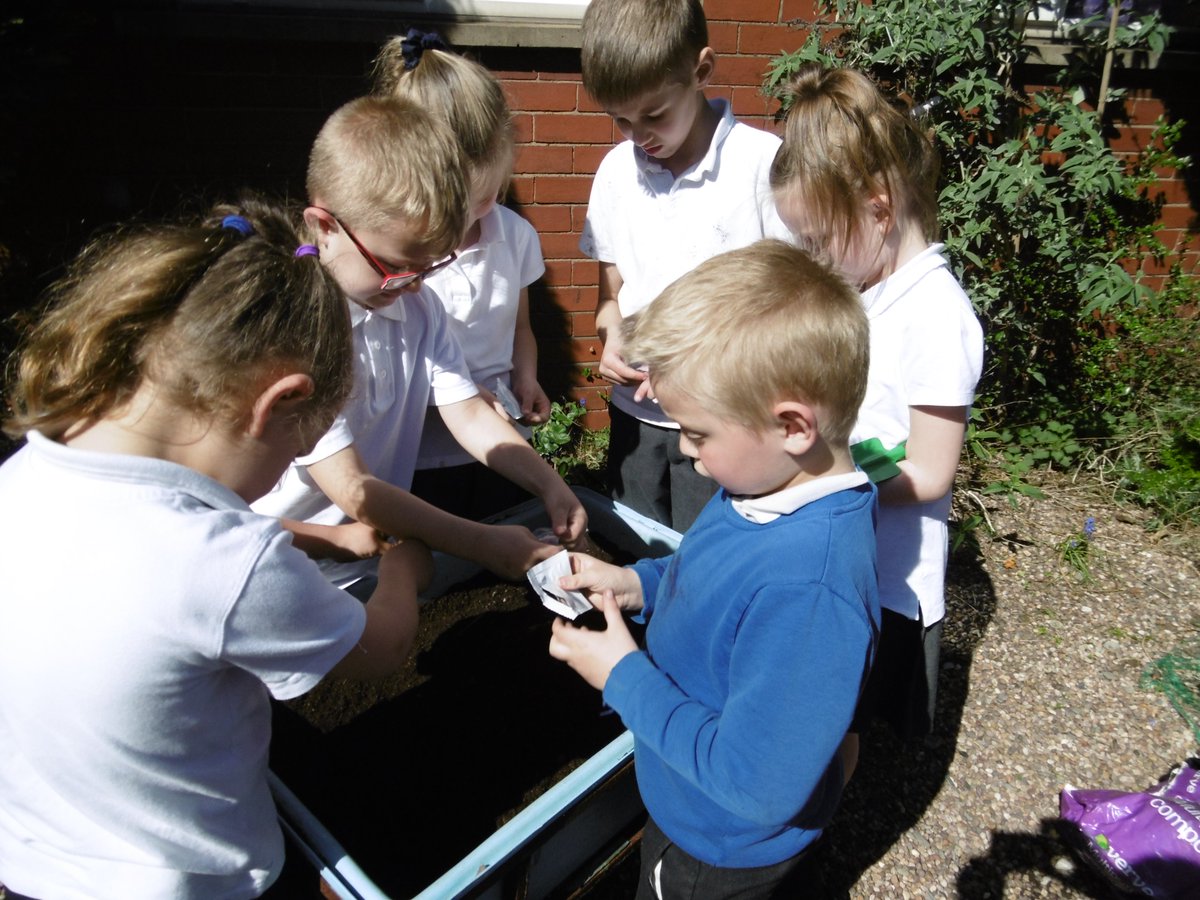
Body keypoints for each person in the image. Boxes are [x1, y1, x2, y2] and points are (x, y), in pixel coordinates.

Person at [0, 197, 433, 899]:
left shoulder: (25, 477)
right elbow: (379, 650)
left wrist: (325, 535)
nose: (292, 462)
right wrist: (404, 572)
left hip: (35, 864)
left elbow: (144, 552)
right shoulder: (227, 564)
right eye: (300, 444)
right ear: (276, 405)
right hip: (196, 881)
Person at [548, 240, 880, 900]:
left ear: (792, 425)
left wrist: (622, 675)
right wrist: (636, 583)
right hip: (690, 799)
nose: (689, 456)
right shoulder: (763, 490)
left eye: (698, 434)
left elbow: (754, 782)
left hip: (722, 850)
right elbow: (706, 579)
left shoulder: (808, 588)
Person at [251, 95, 586, 588]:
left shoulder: (418, 309)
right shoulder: (300, 333)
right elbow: (352, 488)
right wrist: (481, 542)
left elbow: (468, 412)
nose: (413, 282)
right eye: (396, 266)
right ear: (325, 227)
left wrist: (549, 484)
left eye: (430, 264)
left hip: (368, 562)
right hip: (282, 570)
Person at [770, 63, 985, 775]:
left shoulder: (936, 314)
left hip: (888, 580)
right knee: (822, 704)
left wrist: (825, 476)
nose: (813, 259)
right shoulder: (871, 290)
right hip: (846, 555)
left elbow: (928, 469)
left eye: (819, 240)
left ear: (879, 206)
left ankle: (819, 830)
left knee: (844, 717)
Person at [577, 0, 792, 533]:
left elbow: (796, 307)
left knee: (710, 559)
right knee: (637, 551)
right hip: (636, 419)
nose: (637, 135)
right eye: (620, 120)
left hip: (727, 423)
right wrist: (612, 336)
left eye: (653, 115)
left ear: (701, 70)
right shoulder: (614, 173)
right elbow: (612, 295)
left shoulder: (761, 167)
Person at [373, 30, 552, 520]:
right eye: (467, 202)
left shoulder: (514, 236)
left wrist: (527, 377)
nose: (483, 209)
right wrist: (460, 397)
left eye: (492, 193)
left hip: (504, 435)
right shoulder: (398, 258)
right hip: (423, 450)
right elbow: (393, 364)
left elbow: (520, 327)